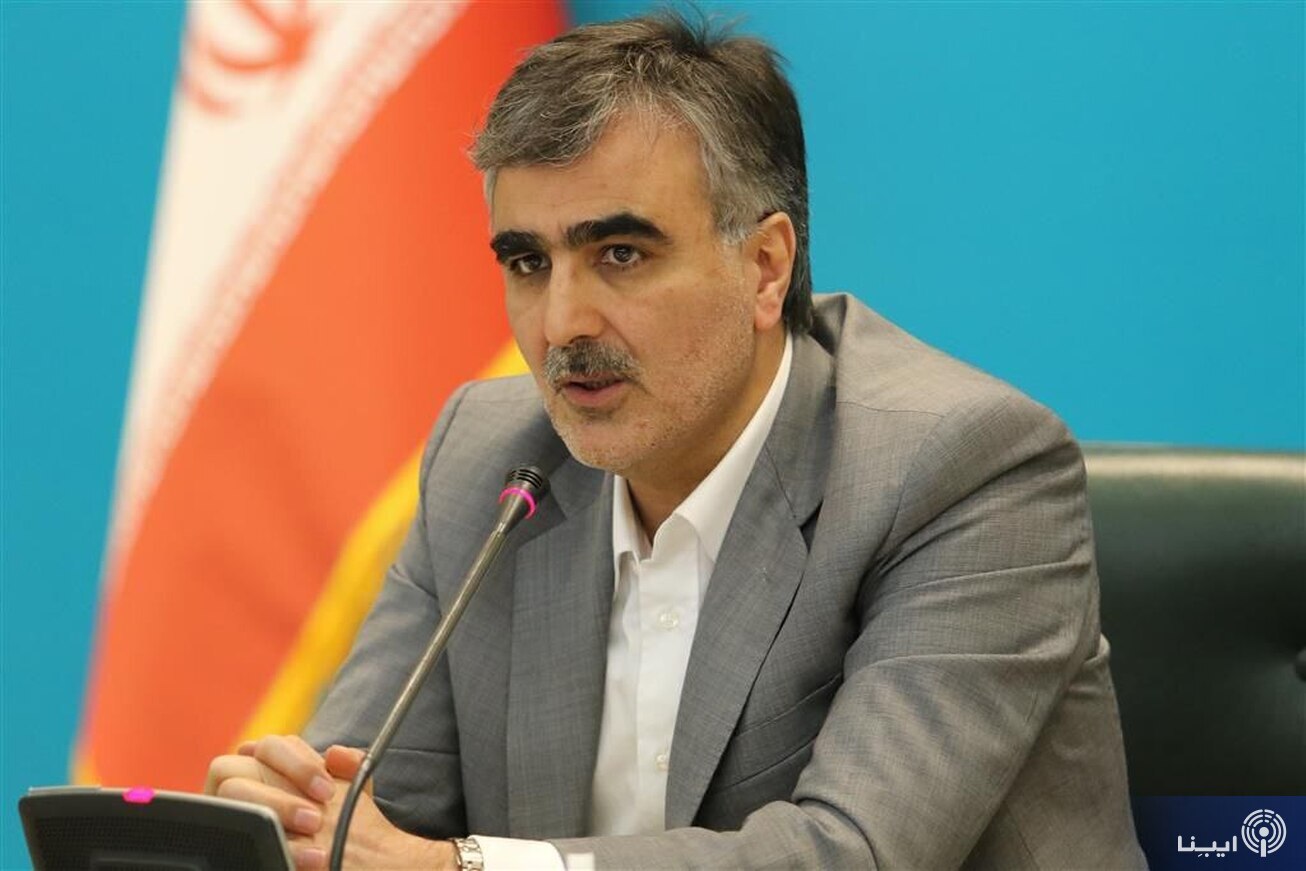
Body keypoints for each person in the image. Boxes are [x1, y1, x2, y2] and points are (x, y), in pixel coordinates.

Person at [206, 12, 1146, 870]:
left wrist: (460, 867)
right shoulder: (489, 461)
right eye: (528, 261)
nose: (562, 323)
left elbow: (852, 853)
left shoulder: (960, 469)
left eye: (620, 254)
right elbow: (361, 813)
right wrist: (286, 821)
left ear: (765, 267)